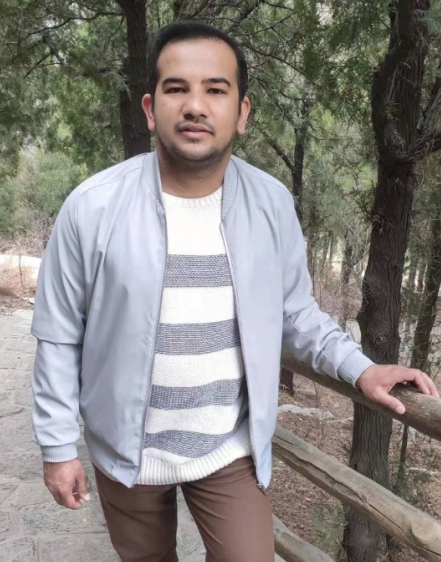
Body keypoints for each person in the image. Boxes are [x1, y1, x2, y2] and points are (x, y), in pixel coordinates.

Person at [31, 20, 438, 562]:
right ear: (151, 109)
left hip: (229, 447)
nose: (195, 106)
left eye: (216, 90)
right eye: (177, 88)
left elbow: (296, 313)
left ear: (242, 113)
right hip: (126, 453)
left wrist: (361, 368)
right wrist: (58, 447)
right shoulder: (93, 207)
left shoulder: (270, 204)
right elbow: (59, 335)